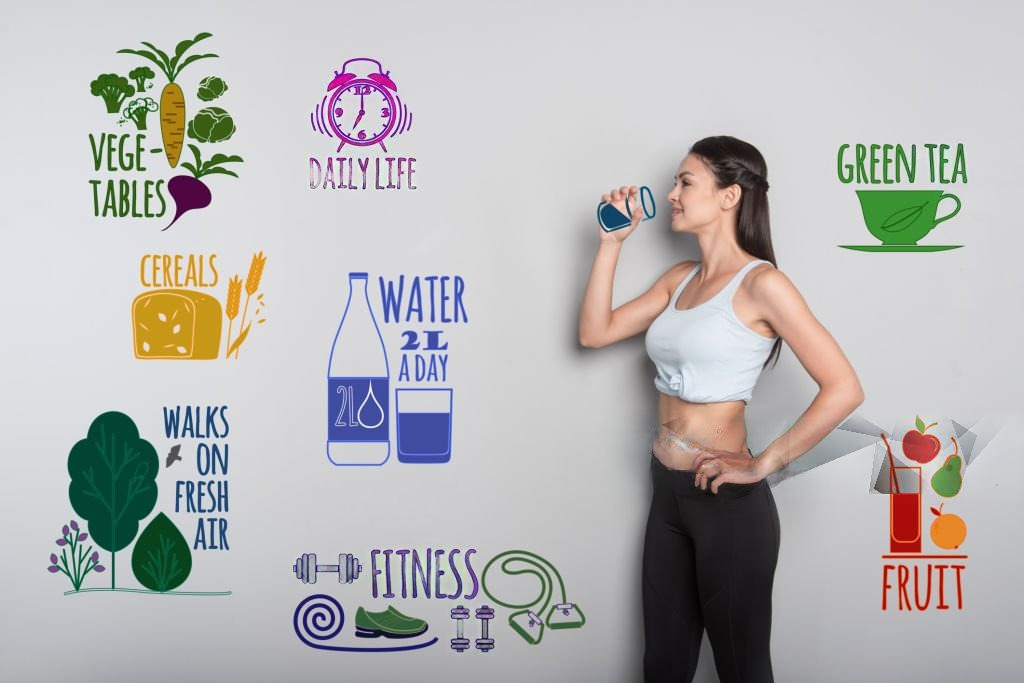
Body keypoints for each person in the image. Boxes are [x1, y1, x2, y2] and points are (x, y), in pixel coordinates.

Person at [578, 136, 864, 683]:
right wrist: (610, 244)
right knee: (663, 664)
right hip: (667, 493)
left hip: (727, 503)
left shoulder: (763, 284)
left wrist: (764, 463)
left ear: (730, 196)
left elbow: (844, 387)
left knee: (742, 669)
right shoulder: (677, 279)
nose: (672, 194)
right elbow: (595, 333)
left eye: (686, 182)